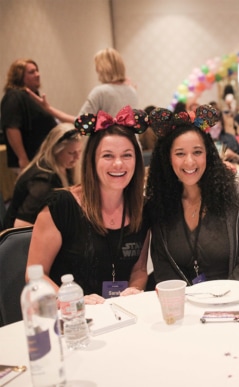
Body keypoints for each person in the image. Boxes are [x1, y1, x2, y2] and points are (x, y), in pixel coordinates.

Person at [26, 106, 151, 304]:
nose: (118, 164)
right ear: (92, 161)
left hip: (122, 317)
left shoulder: (142, 208)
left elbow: (139, 269)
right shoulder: (60, 206)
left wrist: (134, 289)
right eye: (108, 156)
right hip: (72, 320)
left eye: (127, 155)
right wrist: (74, 301)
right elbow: (36, 274)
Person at [145, 105, 239, 284]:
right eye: (180, 153)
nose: (189, 161)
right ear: (167, 158)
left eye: (197, 152)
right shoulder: (162, 204)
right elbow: (163, 267)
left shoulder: (237, 198)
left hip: (237, 300)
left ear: (208, 155)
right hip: (185, 305)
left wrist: (222, 299)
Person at [3, 123, 82, 229]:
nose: (77, 157)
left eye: (79, 151)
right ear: (55, 151)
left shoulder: (65, 167)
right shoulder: (43, 181)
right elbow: (21, 226)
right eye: (71, 153)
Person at [27, 48, 138, 122]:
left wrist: (48, 108)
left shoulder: (101, 92)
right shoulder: (132, 91)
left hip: (110, 150)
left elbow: (80, 122)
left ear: (102, 68)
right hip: (131, 148)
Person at [1, 59, 57, 172]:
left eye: (37, 71)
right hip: (29, 160)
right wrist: (22, 158)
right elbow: (12, 128)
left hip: (41, 159)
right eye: (32, 72)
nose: (37, 75)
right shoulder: (14, 97)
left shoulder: (31, 95)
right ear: (19, 76)